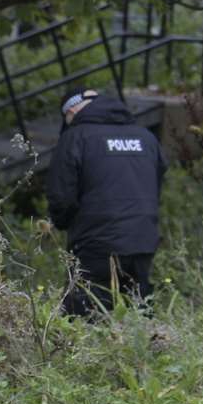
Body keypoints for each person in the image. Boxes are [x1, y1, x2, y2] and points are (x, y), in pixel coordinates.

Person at [46, 90, 166, 316]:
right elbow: (156, 183)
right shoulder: (146, 137)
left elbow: (61, 195)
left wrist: (62, 222)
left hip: (95, 242)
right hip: (142, 240)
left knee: (86, 313)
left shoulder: (75, 137)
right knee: (139, 312)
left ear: (71, 111)